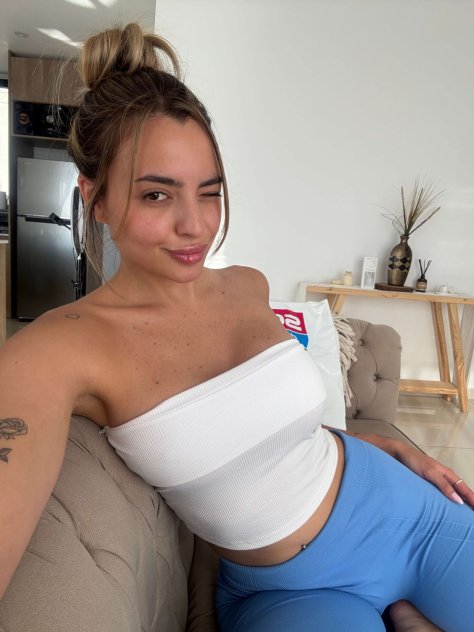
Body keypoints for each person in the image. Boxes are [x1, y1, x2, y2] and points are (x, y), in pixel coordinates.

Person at [1, 22, 473, 632]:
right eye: (156, 195)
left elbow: (279, 429)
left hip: (409, 518)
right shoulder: (57, 350)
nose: (196, 226)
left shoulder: (246, 285)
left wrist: (389, 444)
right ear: (94, 197)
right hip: (288, 591)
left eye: (210, 192)